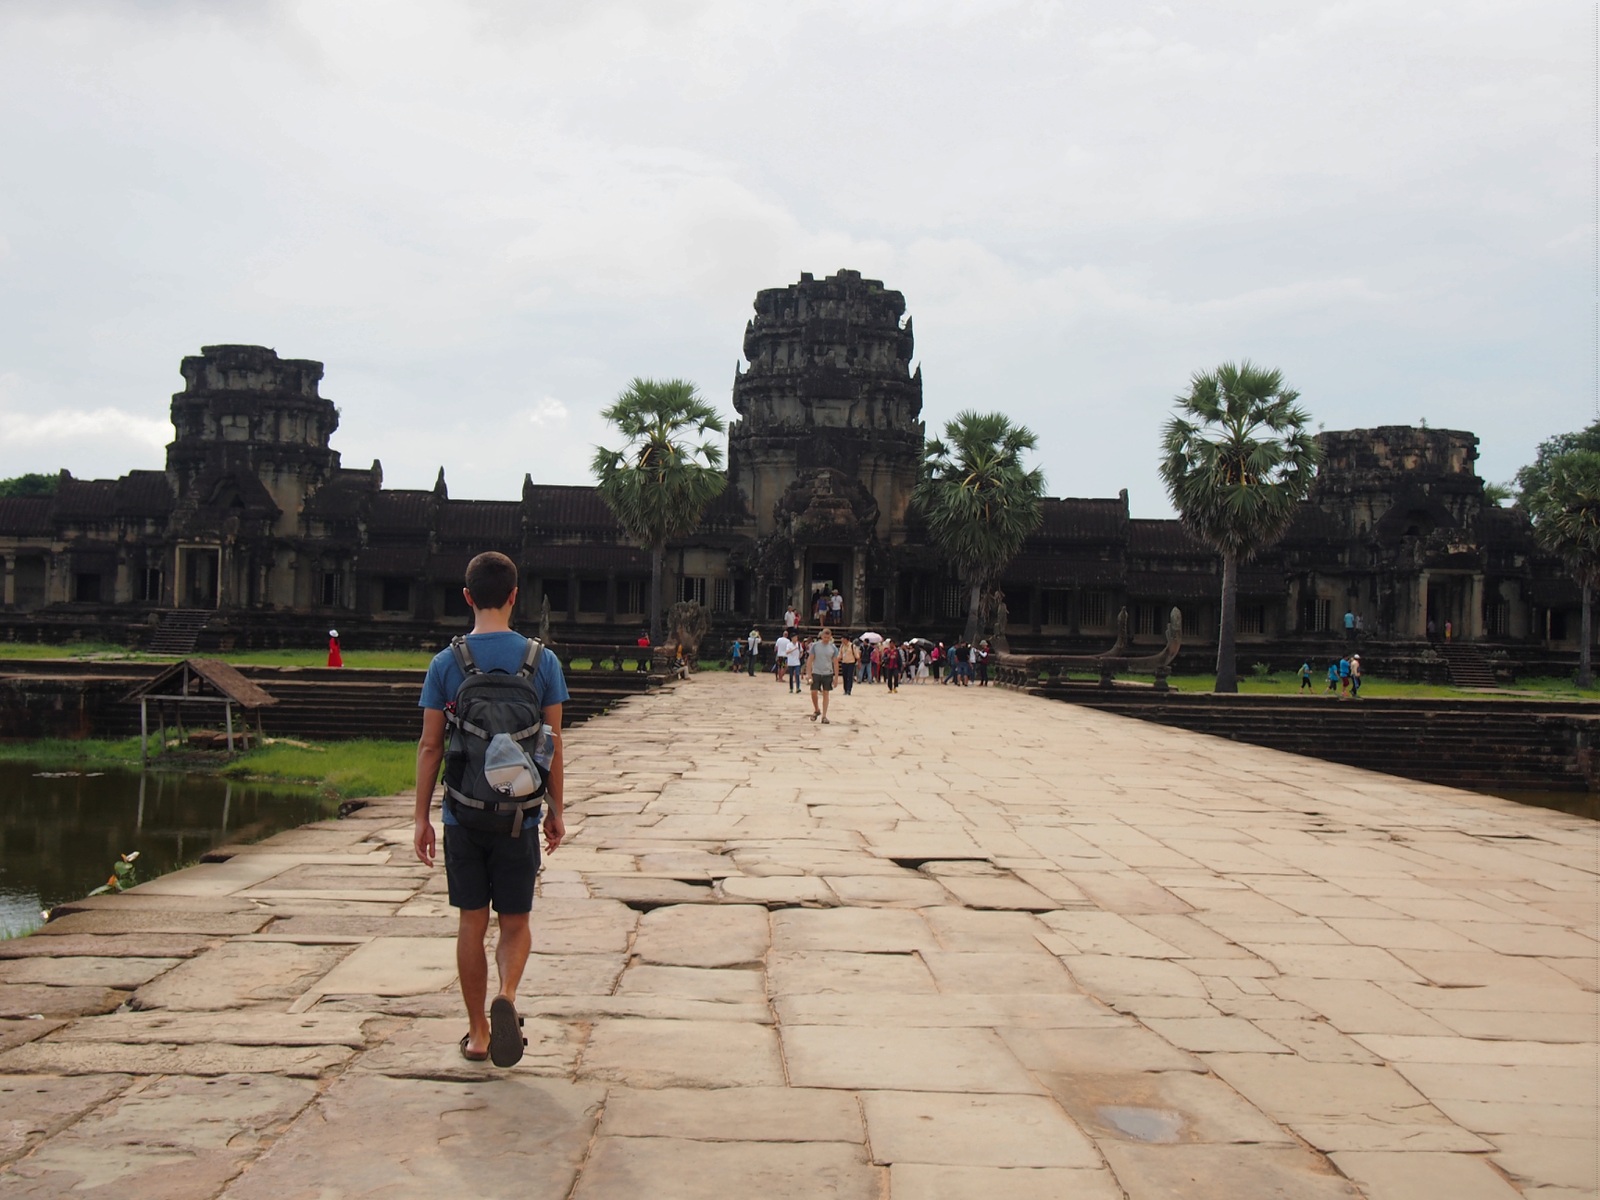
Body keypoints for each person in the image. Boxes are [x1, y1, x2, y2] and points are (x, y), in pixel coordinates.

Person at [413, 551, 568, 1068]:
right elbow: (552, 743)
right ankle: (508, 993)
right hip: (518, 815)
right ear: (514, 595)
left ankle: (479, 1032)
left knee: (471, 923)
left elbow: (430, 746)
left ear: (466, 597)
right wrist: (555, 809)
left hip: (463, 813)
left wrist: (421, 817)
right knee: (516, 921)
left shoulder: (446, 663)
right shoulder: (541, 661)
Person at [806, 627, 839, 723]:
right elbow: (810, 660)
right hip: (816, 671)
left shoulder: (833, 648)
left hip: (827, 672)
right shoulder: (815, 646)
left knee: (826, 693)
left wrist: (836, 677)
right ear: (821, 636)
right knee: (813, 692)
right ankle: (817, 709)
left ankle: (824, 715)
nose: (826, 639)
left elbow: (835, 663)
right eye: (824, 637)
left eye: (828, 638)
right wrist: (808, 673)